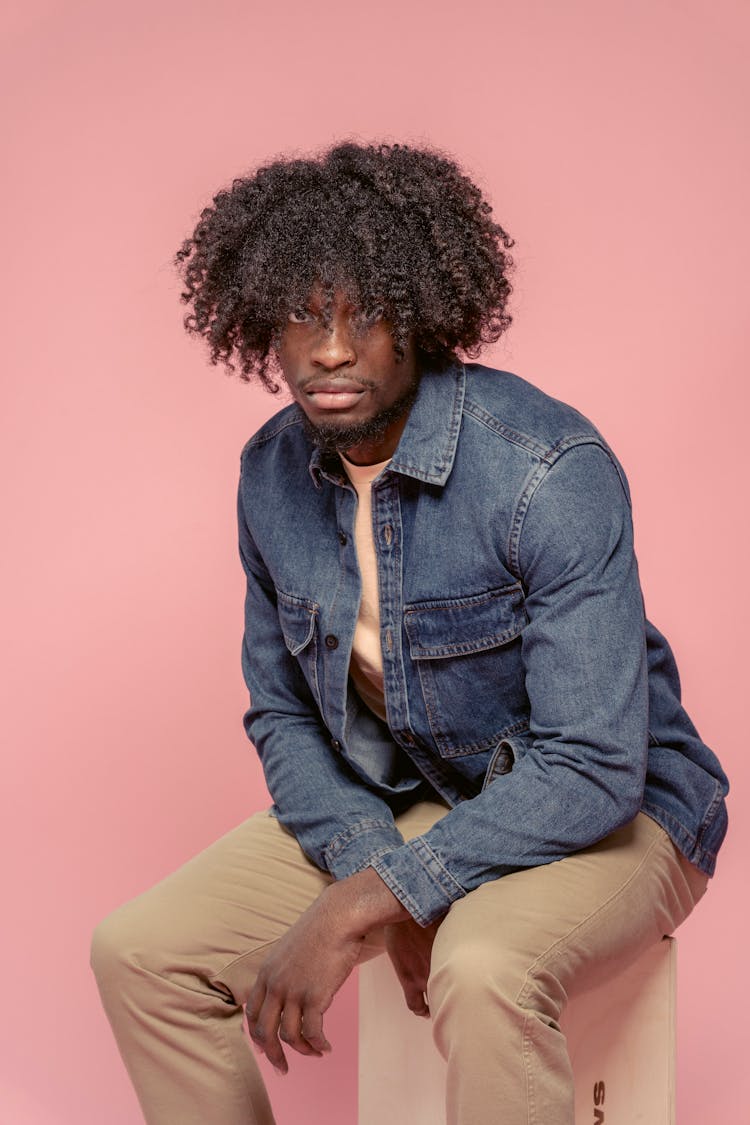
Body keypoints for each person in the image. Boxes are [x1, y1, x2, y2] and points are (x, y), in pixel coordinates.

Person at [90, 140, 729, 1125]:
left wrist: (377, 897)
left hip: (623, 812)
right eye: (302, 315)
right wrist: (375, 866)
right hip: (421, 795)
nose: (331, 348)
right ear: (261, 325)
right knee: (140, 952)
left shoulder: (545, 469)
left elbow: (596, 765)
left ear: (425, 321)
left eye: (365, 314)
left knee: (482, 964)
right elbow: (282, 715)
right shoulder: (269, 478)